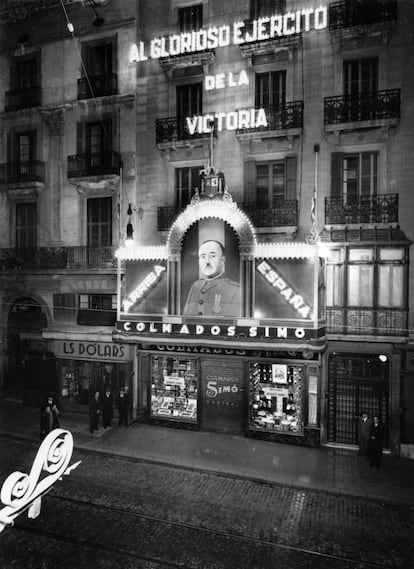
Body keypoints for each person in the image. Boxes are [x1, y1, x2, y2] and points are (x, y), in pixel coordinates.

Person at [183, 240, 240, 317]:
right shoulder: (196, 286)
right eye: (203, 257)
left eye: (213, 256)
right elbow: (186, 318)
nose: (207, 262)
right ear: (199, 261)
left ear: (222, 260)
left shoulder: (236, 290)